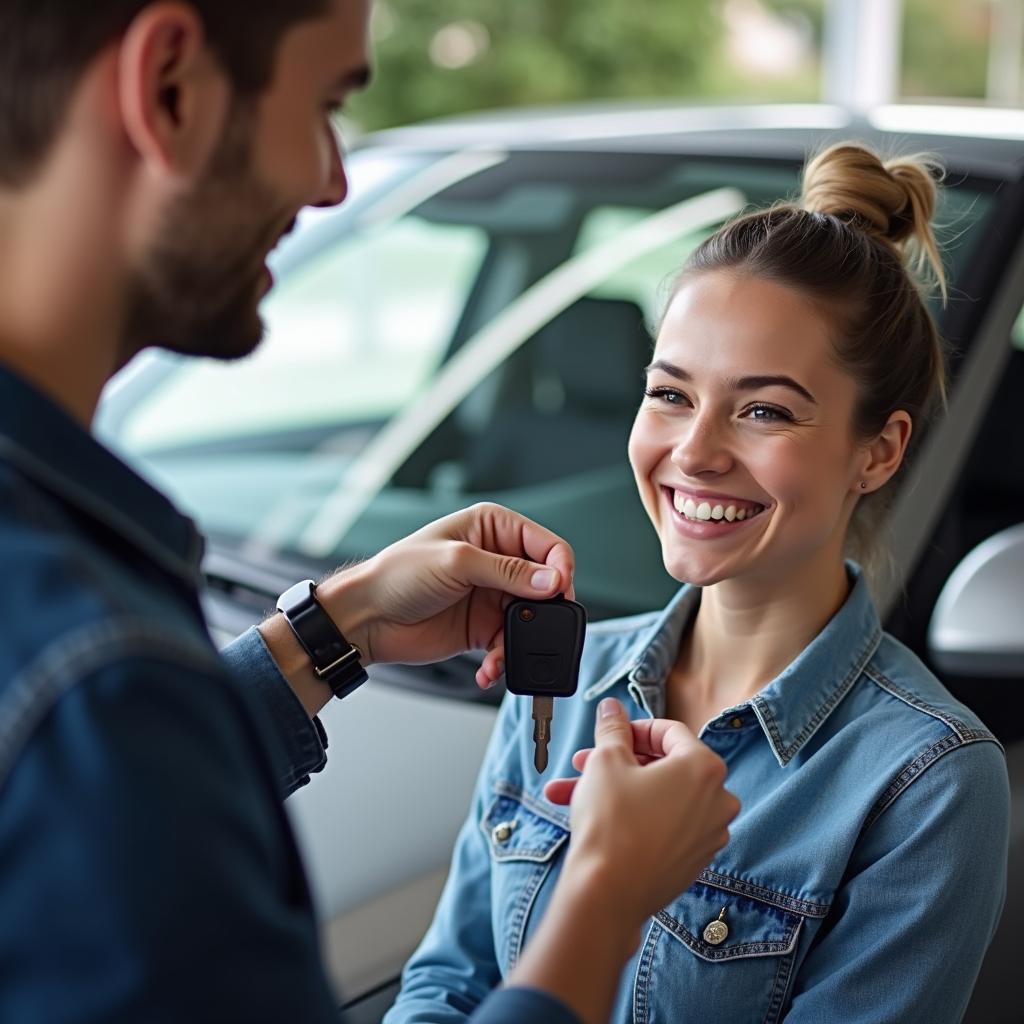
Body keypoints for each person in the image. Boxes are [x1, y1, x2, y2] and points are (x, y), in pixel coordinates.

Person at [0, 2, 741, 1022]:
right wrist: (606, 898)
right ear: (170, 88)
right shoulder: (102, 685)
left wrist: (326, 632)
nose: (332, 180)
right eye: (324, 106)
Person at [386, 143, 1012, 1024]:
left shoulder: (925, 783)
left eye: (764, 410)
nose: (695, 453)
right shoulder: (561, 678)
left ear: (879, 450)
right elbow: (446, 987)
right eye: (671, 394)